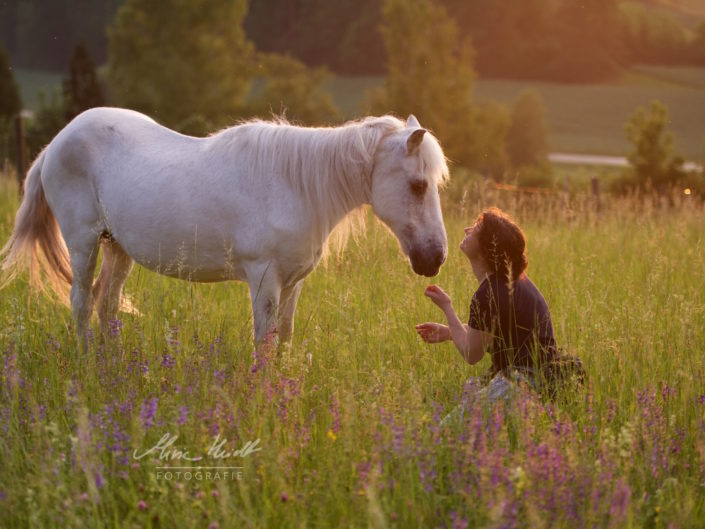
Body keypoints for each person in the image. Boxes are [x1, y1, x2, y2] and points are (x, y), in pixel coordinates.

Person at [416, 207, 578, 404]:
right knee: (454, 401)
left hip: (523, 382)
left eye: (476, 228)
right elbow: (494, 337)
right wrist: (450, 332)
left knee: (450, 427)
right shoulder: (509, 283)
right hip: (535, 378)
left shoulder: (489, 293)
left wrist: (446, 307)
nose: (467, 229)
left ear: (486, 248)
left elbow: (472, 353)